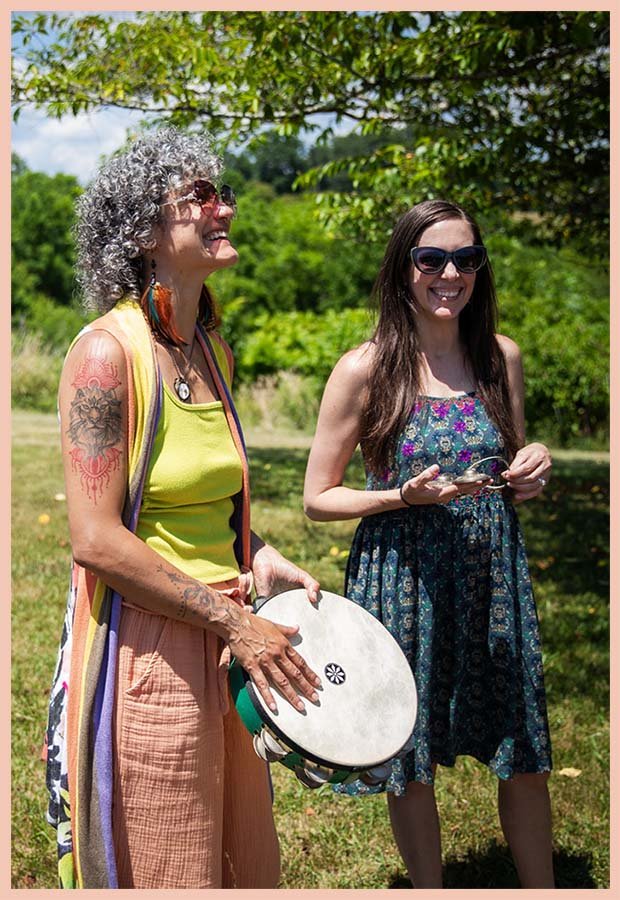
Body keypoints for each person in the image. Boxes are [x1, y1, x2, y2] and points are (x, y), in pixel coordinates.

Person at [44, 126, 322, 890]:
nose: (222, 207)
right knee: (169, 863)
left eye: (221, 191)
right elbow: (97, 541)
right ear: (142, 233)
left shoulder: (210, 348)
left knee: (238, 858)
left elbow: (201, 501)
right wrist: (236, 619)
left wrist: (257, 552)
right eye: (197, 197)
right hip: (151, 650)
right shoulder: (107, 354)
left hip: (232, 644)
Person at [303, 199, 554, 889]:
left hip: (490, 578)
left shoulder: (501, 357)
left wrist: (529, 470)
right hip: (403, 578)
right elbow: (317, 498)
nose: (451, 273)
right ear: (403, 268)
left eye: (467, 259)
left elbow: (508, 475)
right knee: (409, 755)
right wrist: (399, 497)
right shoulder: (365, 369)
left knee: (523, 747)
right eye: (432, 259)